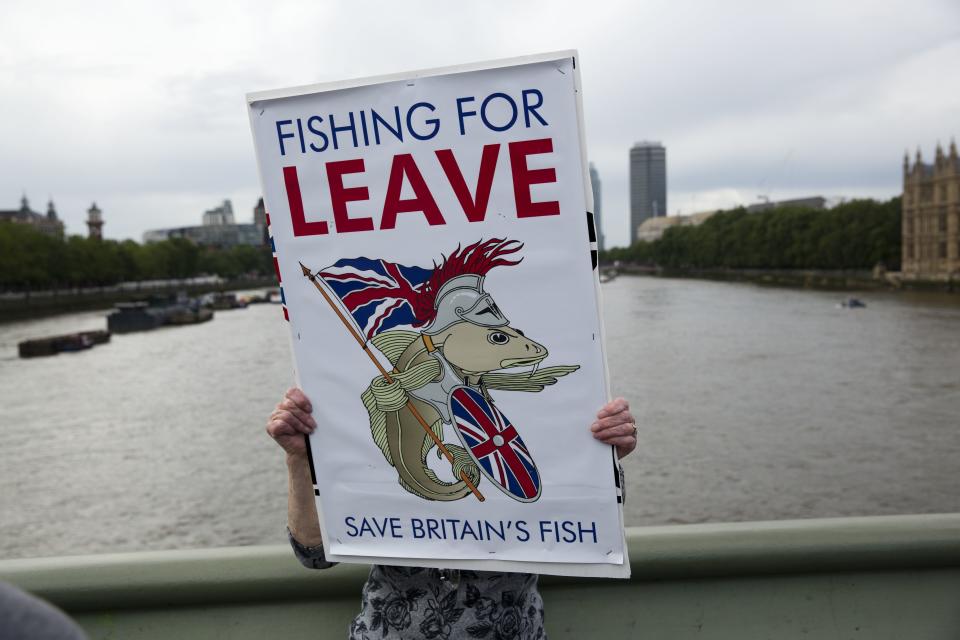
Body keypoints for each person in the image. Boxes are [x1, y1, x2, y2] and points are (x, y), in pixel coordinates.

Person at [267, 387, 636, 639]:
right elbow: (313, 555)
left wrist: (602, 456)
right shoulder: (390, 421)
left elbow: (590, 532)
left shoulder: (529, 415)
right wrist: (299, 459)